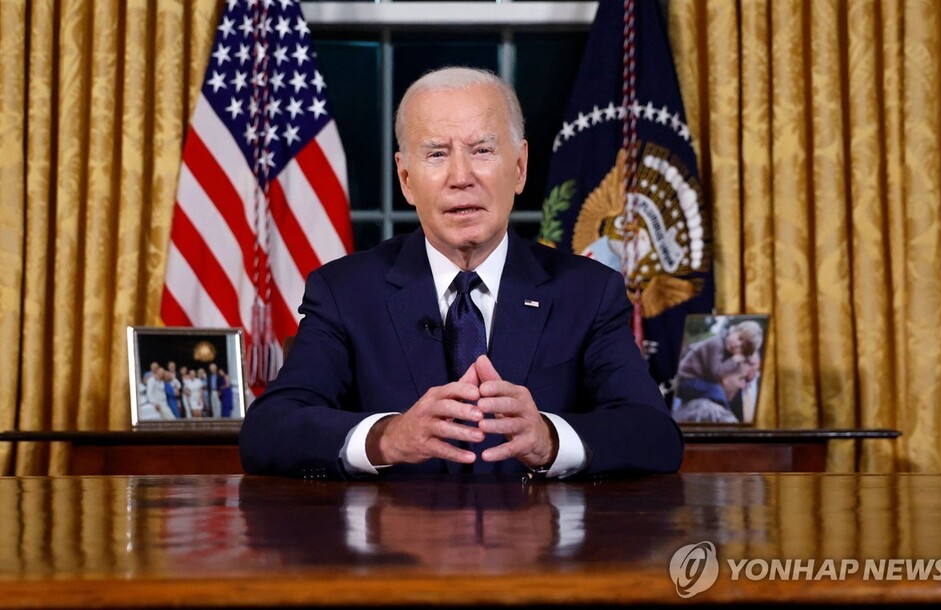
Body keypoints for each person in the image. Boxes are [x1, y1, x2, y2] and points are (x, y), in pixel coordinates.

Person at [239, 66, 683, 480]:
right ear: (407, 178)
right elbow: (269, 429)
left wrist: (548, 438)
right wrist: (388, 438)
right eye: (436, 154)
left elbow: (654, 435)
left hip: (540, 552)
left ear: (520, 167)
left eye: (482, 150)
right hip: (394, 553)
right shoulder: (345, 292)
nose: (460, 177)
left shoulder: (587, 292)